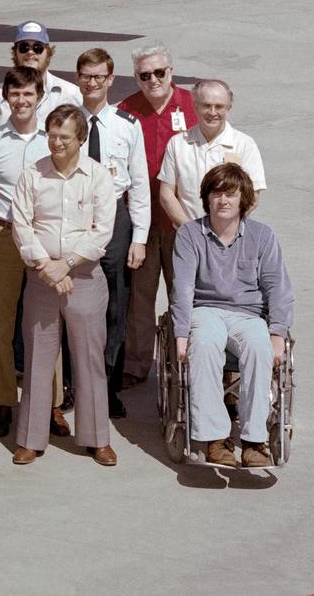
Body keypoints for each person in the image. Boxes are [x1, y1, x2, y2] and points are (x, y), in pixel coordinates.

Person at [10, 105, 118, 467]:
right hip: (41, 279)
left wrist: (66, 264)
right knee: (38, 360)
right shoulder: (32, 175)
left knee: (89, 360)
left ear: (81, 139)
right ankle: (30, 439)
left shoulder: (98, 176)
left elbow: (102, 231)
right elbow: (22, 225)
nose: (56, 143)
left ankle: (96, 439)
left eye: (65, 138)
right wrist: (46, 266)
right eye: (52, 136)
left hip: (83, 277)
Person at [172, 164, 293, 468]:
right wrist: (181, 334)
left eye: (231, 194)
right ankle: (214, 439)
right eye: (217, 193)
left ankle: (254, 441)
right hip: (205, 310)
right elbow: (182, 289)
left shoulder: (262, 235)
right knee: (205, 344)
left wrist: (278, 333)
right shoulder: (189, 234)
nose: (223, 200)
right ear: (207, 198)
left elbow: (278, 287)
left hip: (248, 314)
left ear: (243, 199)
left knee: (260, 348)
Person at [0, 67, 52, 438]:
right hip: (4, 237)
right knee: (2, 324)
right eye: (15, 94)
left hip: (44, 238)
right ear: (5, 98)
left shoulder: (52, 140)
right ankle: (2, 399)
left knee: (46, 324)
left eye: (28, 94)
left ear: (40, 97)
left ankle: (50, 404)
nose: (21, 101)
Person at [74, 48, 150, 418]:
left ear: (110, 80)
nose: (92, 83)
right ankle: (75, 385)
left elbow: (140, 184)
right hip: (75, 214)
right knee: (74, 302)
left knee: (116, 307)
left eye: (99, 77)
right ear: (78, 79)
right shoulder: (68, 121)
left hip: (116, 216)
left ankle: (108, 387)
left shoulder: (127, 124)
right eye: (86, 76)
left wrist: (139, 238)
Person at [118, 40, 196, 385]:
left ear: (171, 71)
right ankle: (137, 364)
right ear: (136, 78)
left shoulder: (192, 106)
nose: (153, 80)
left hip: (183, 219)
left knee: (185, 294)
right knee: (140, 297)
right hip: (143, 221)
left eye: (159, 72)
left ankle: (186, 362)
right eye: (145, 75)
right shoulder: (126, 110)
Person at [158, 79, 266, 230]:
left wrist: (225, 227)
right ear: (195, 106)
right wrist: (191, 230)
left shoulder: (245, 145)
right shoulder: (177, 144)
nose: (213, 112)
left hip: (230, 235)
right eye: (206, 105)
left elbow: (253, 195)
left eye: (219, 106)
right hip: (188, 235)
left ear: (228, 108)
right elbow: (166, 193)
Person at [0, 21, 82, 137]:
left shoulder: (70, 94)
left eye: (37, 48)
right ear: (15, 52)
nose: (30, 52)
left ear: (48, 52)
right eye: (24, 47)